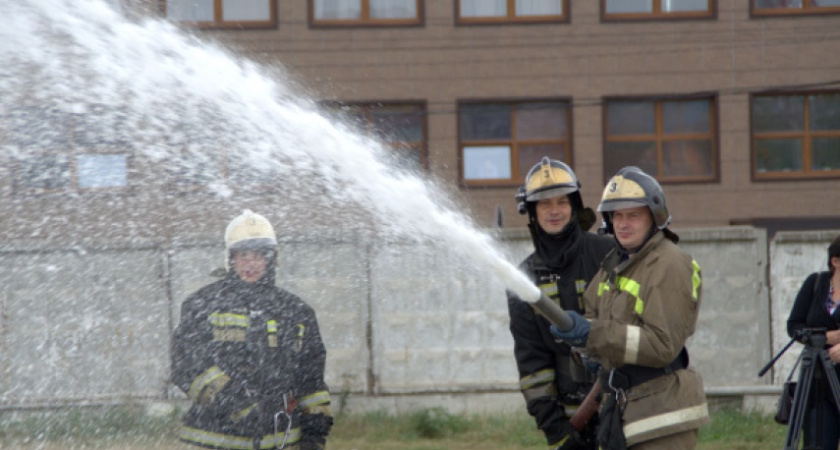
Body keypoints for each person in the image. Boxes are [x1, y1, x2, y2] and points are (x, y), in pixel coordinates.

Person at [550, 166, 710, 449]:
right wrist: (583, 347)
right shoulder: (615, 264)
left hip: (662, 418)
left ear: (654, 217)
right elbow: (595, 316)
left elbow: (662, 344)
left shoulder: (668, 264)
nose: (623, 223)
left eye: (633, 215)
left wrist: (593, 335)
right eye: (617, 216)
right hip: (624, 411)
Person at [171, 210, 333, 450]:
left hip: (281, 440)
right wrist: (238, 405)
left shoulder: (297, 312)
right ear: (230, 259)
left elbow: (311, 380)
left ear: (270, 259)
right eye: (243, 255)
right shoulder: (202, 305)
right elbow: (187, 365)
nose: (250, 263)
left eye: (258, 255)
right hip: (213, 440)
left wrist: (313, 437)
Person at [507, 157, 615, 450]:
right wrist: (557, 432)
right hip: (571, 417)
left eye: (562, 202)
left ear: (574, 206)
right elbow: (532, 363)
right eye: (544, 204)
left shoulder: (608, 254)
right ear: (531, 212)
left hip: (620, 405)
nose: (554, 211)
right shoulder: (522, 279)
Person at [786, 234, 840, 450]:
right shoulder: (815, 283)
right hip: (819, 384)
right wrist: (824, 338)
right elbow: (794, 326)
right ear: (835, 261)